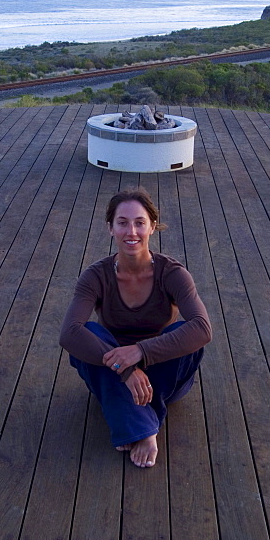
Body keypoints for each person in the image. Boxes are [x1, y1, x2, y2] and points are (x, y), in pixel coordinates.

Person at [60, 188, 212, 468]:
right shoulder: (96, 276)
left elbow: (203, 328)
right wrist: (126, 368)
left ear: (152, 226)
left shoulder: (172, 273)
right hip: (116, 374)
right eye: (122, 222)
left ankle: (131, 420)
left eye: (140, 222)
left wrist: (141, 352)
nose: (132, 231)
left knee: (184, 334)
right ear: (111, 228)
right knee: (90, 335)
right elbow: (69, 332)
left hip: (164, 376)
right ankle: (146, 429)